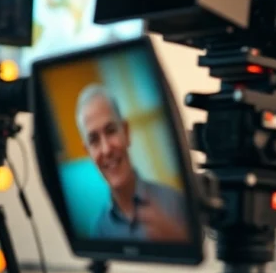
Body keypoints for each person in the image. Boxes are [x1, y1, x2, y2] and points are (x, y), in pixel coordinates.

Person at [75, 83, 190, 242]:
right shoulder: (98, 232)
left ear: (126, 132)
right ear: (88, 152)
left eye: (111, 131)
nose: (106, 149)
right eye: (94, 140)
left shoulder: (176, 203)